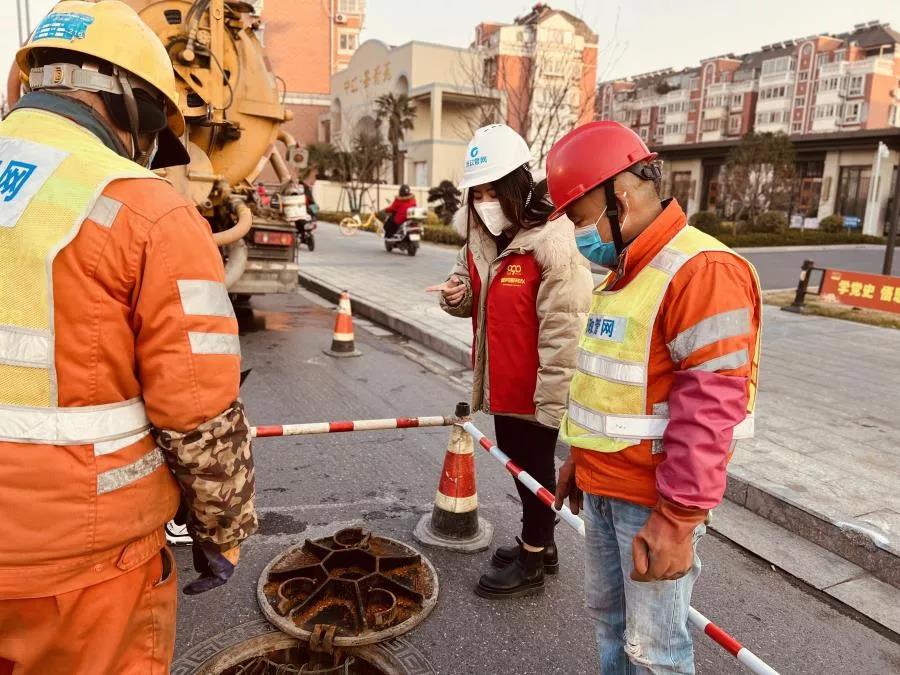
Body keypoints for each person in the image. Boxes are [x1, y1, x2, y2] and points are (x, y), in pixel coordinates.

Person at [0, 2, 257, 673]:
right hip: (81, 568)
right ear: (134, 106)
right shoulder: (149, 211)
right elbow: (197, 410)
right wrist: (222, 529)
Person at [549, 121, 761, 674]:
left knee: (656, 653)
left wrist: (679, 518)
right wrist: (581, 460)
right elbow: (609, 389)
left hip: (651, 502)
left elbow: (709, 409)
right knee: (611, 627)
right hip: (603, 487)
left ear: (618, 199)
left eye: (581, 218)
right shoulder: (625, 273)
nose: (580, 235)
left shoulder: (702, 270)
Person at [427, 124, 593, 598]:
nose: (484, 202)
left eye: (492, 191)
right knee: (519, 468)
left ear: (517, 185)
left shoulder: (553, 241)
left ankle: (532, 561)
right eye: (477, 194)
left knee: (534, 470)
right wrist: (455, 296)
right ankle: (541, 543)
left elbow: (565, 330)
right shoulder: (482, 239)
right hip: (500, 382)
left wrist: (551, 401)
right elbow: (467, 292)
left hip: (536, 387)